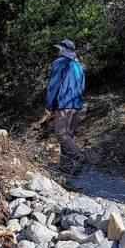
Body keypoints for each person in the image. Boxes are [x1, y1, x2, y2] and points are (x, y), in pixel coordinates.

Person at [45, 38, 86, 174]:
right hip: (77, 105)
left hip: (64, 104)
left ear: (62, 50)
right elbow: (82, 86)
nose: (58, 51)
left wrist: (49, 104)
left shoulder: (60, 63)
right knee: (68, 136)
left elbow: (53, 85)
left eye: (59, 49)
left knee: (61, 134)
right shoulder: (78, 65)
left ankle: (78, 155)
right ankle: (66, 166)